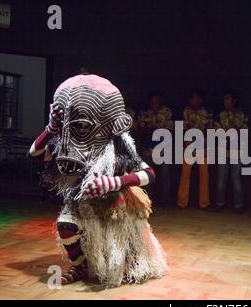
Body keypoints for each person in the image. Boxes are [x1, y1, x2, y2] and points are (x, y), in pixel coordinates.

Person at [28, 75, 167, 286]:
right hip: (82, 201)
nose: (72, 131)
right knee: (66, 225)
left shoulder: (118, 146)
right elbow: (34, 154)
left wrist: (114, 183)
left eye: (81, 125)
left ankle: (128, 259)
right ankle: (80, 265)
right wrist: (50, 130)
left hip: (115, 205)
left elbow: (149, 173)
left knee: (120, 253)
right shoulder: (69, 140)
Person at [177, 89, 214, 209]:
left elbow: (210, 129)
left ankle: (204, 203)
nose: (194, 101)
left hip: (203, 148)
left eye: (197, 98)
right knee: (184, 176)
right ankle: (181, 202)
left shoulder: (207, 112)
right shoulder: (185, 112)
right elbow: (182, 129)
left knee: (204, 176)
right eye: (192, 98)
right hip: (188, 148)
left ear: (201, 100)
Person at [137, 91, 174, 208]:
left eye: (157, 102)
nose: (155, 104)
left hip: (163, 150)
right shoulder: (144, 114)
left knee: (165, 176)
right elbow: (140, 131)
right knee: (147, 176)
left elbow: (170, 131)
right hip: (149, 149)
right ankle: (148, 201)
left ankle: (166, 201)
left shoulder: (167, 113)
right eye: (152, 102)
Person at [214, 90, 248, 213]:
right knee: (221, 179)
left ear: (234, 100)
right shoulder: (220, 114)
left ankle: (238, 205)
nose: (225, 101)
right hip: (223, 150)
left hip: (237, 150)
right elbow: (217, 131)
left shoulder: (241, 114)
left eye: (228, 99)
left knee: (235, 178)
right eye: (224, 99)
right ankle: (219, 203)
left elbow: (244, 131)